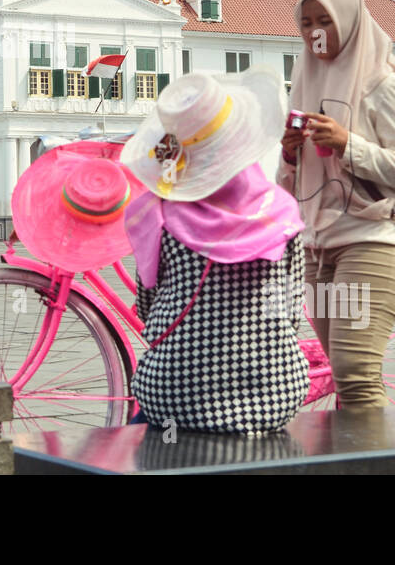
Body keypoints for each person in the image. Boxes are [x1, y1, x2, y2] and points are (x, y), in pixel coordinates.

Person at [117, 69, 308, 432]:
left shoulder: (159, 215)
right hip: (273, 393)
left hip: (171, 396)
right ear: (243, 143)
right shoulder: (281, 215)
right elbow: (290, 311)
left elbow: (147, 308)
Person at [278, 0, 395, 409]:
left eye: (325, 21)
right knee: (345, 378)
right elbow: (287, 189)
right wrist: (289, 157)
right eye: (305, 24)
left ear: (351, 22)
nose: (314, 32)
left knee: (356, 375)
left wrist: (348, 143)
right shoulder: (305, 86)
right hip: (317, 250)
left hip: (370, 242)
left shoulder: (384, 87)